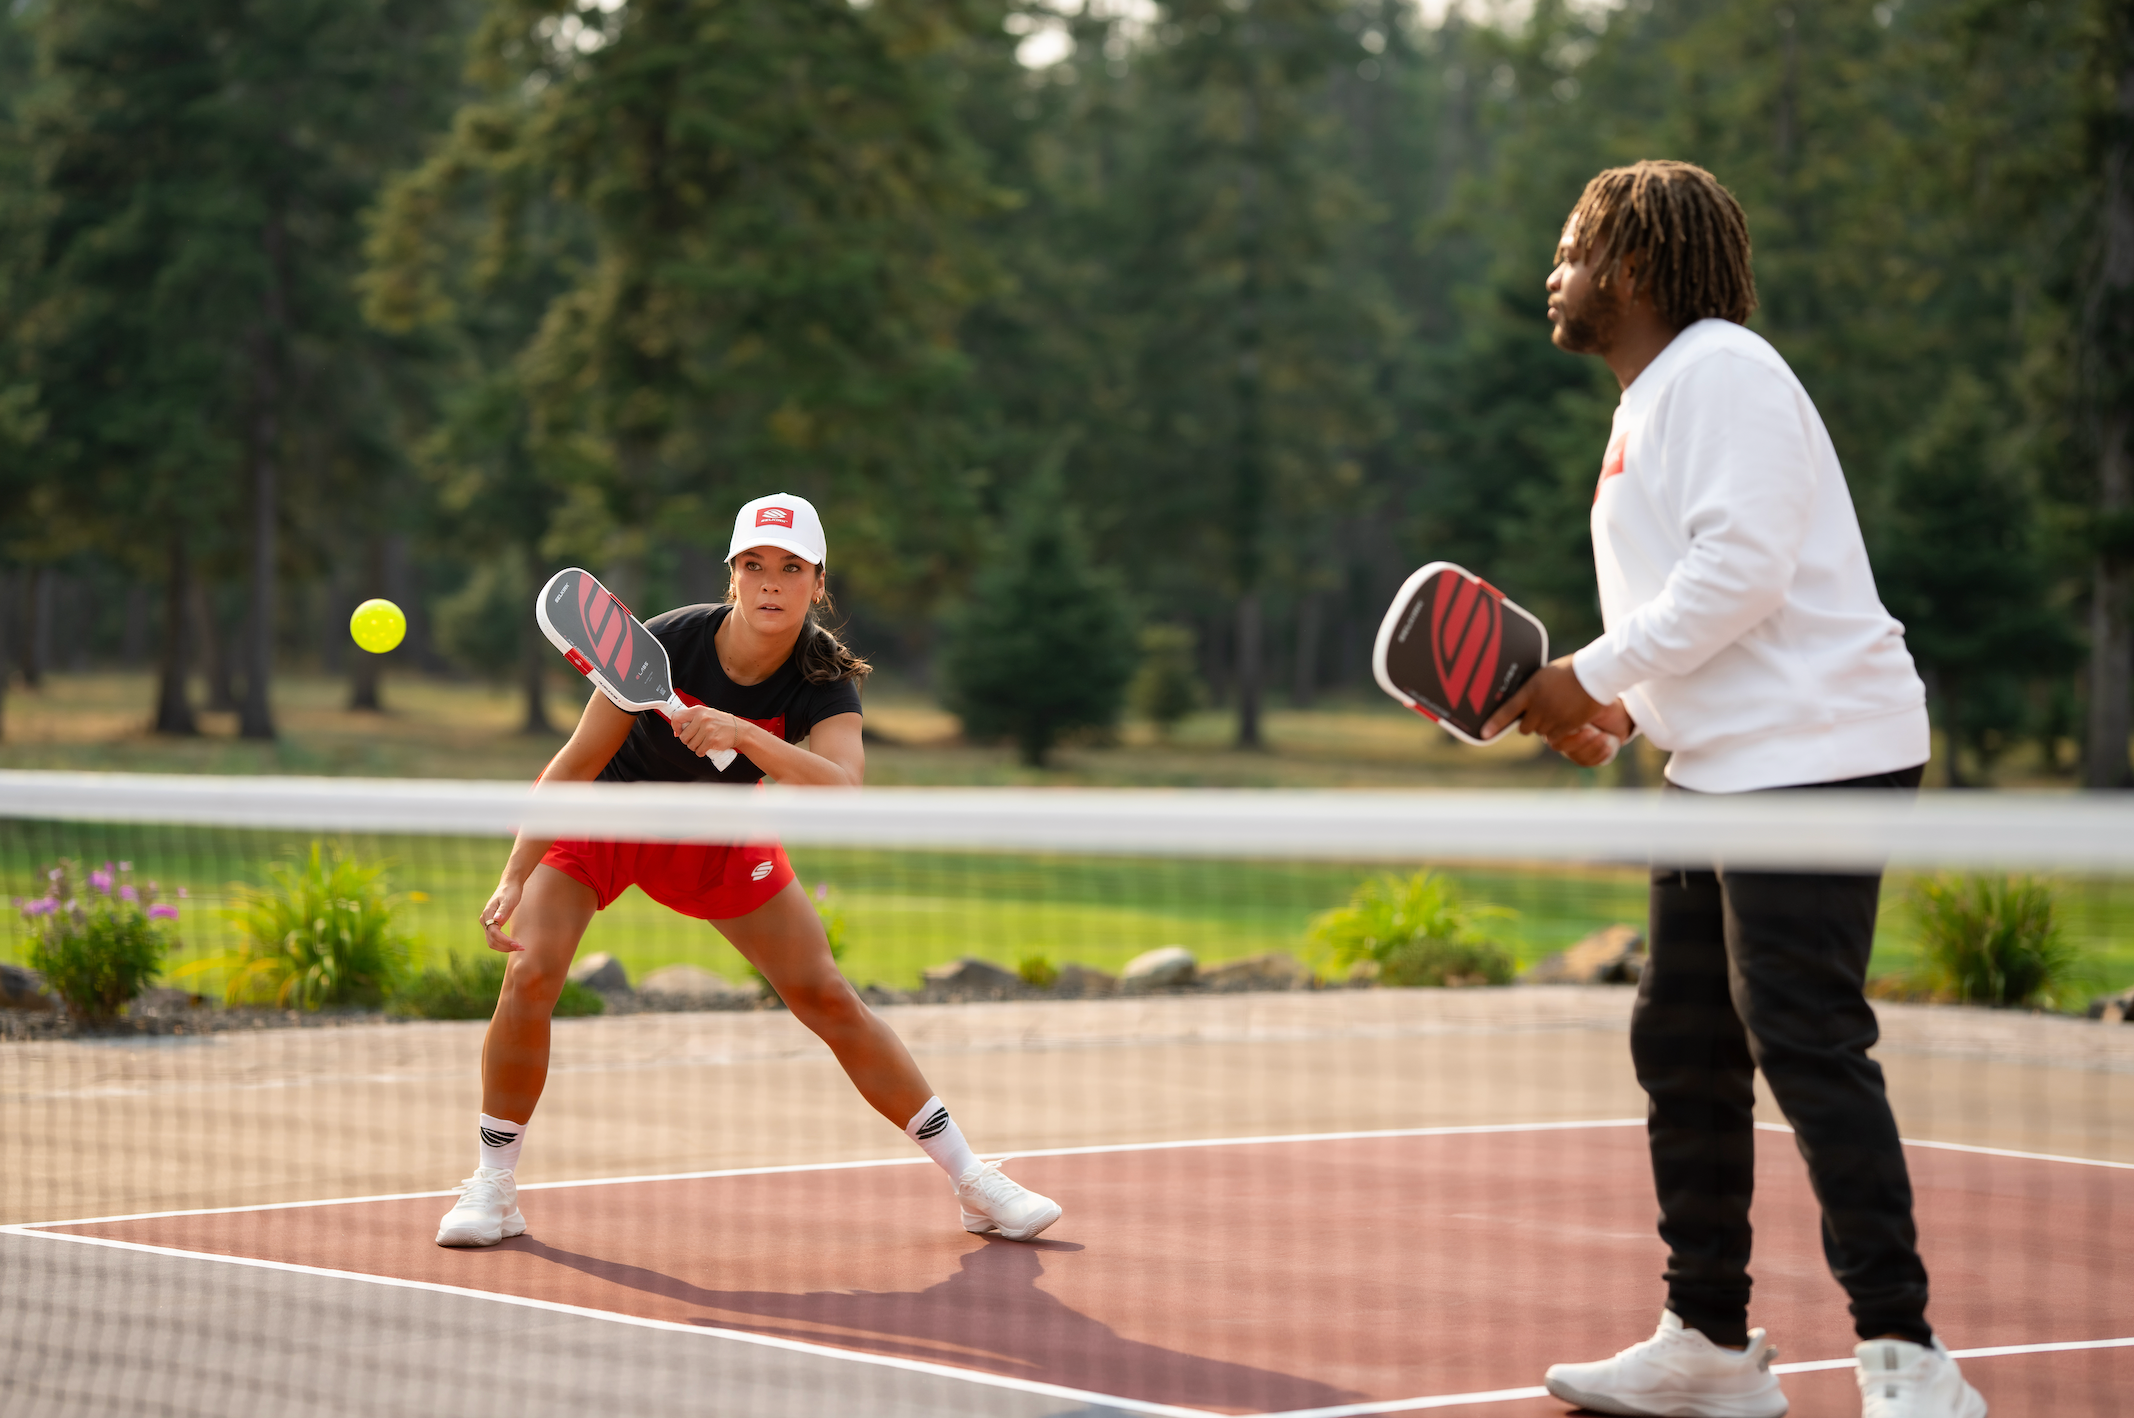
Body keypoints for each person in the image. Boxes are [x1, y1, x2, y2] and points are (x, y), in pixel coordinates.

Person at [1482, 162, 1986, 1418]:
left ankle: (1908, 1359)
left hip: (1817, 752)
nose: (1553, 274)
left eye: (1571, 251)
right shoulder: (1655, 398)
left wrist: (1582, 673)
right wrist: (1621, 711)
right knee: (1684, 1039)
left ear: (1633, 268)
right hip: (1728, 762)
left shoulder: (1720, 370)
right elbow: (1703, 613)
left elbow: (1746, 568)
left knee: (1804, 1038)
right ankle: (1706, 1340)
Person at [435, 492, 1061, 1250]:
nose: (771, 582)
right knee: (530, 975)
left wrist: (742, 735)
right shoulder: (663, 645)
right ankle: (493, 1187)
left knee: (826, 995)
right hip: (612, 815)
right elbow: (576, 763)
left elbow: (843, 786)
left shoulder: (821, 677)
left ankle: (972, 1181)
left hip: (720, 832)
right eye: (754, 565)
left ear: (817, 584)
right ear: (732, 576)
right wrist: (514, 872)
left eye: (790, 568)